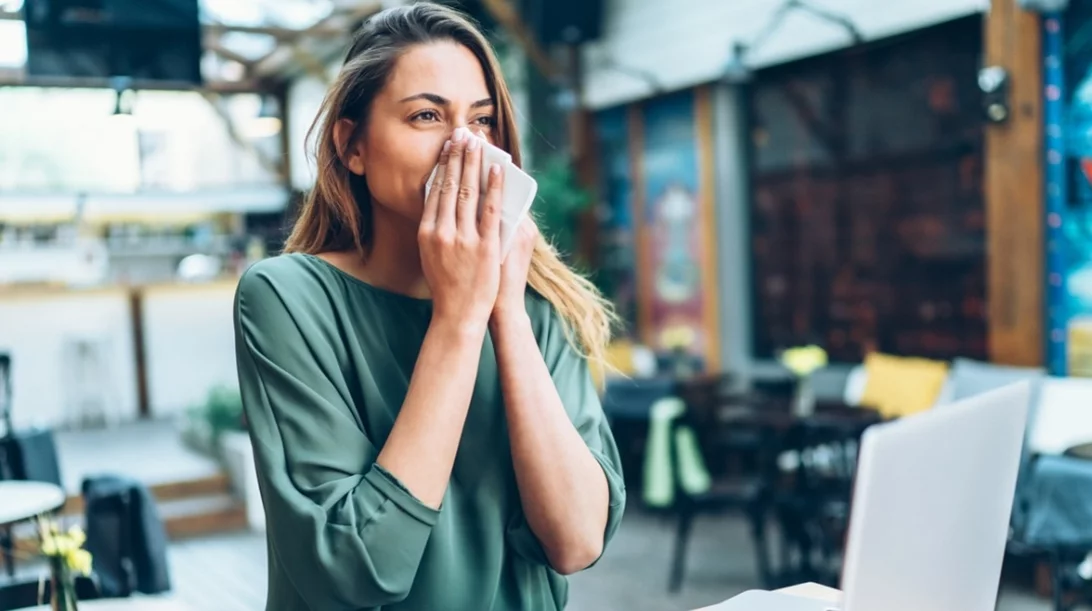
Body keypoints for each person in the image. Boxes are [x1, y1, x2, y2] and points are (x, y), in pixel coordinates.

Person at [232, 3, 626, 610]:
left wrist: (506, 315)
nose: (465, 146)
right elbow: (357, 572)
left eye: (483, 120)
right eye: (425, 115)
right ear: (352, 145)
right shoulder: (287, 299)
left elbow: (575, 541)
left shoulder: (536, 306)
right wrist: (459, 319)